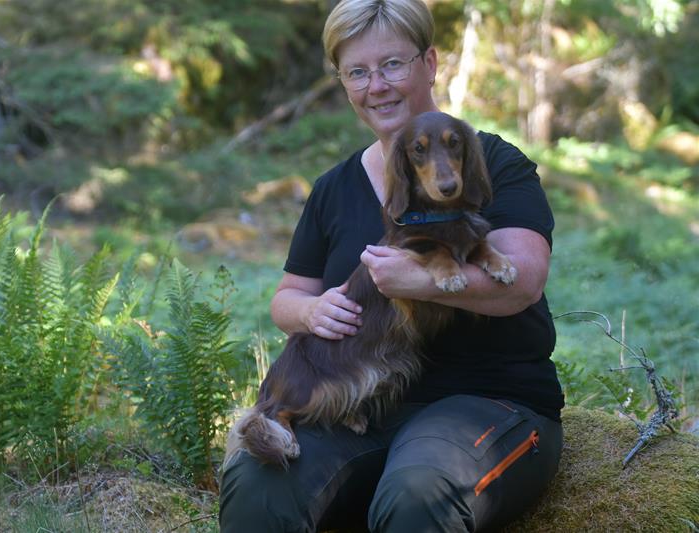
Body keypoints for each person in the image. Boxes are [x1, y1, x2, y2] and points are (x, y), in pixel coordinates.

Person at [219, 0, 564, 531]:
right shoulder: (333, 188)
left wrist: (422, 281)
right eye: (357, 72)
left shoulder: (496, 163)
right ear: (343, 83)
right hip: (362, 406)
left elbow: (522, 282)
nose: (376, 86)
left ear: (430, 63)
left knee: (418, 491)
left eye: (392, 65)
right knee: (258, 486)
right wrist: (311, 311)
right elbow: (287, 298)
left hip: (487, 399)